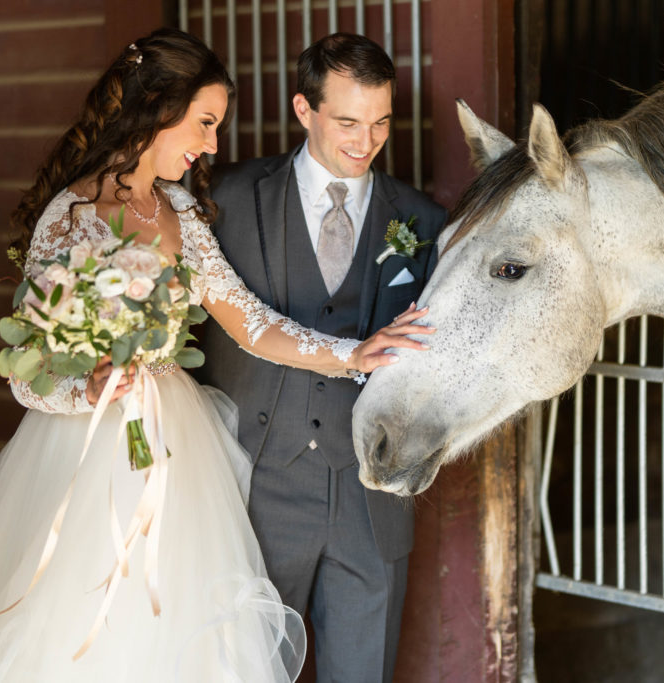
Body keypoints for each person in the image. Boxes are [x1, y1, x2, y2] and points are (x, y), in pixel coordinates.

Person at [0, 28, 432, 682]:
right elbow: (29, 379)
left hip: (180, 455)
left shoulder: (181, 211)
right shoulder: (69, 218)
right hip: (89, 456)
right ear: (159, 109)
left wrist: (358, 352)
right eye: (205, 123)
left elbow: (251, 325)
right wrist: (95, 385)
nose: (214, 144)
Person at [194, 32, 445, 683]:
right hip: (256, 487)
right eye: (347, 121)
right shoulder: (227, 199)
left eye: (381, 122)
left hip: (372, 498)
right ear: (304, 110)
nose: (366, 141)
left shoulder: (421, 222)